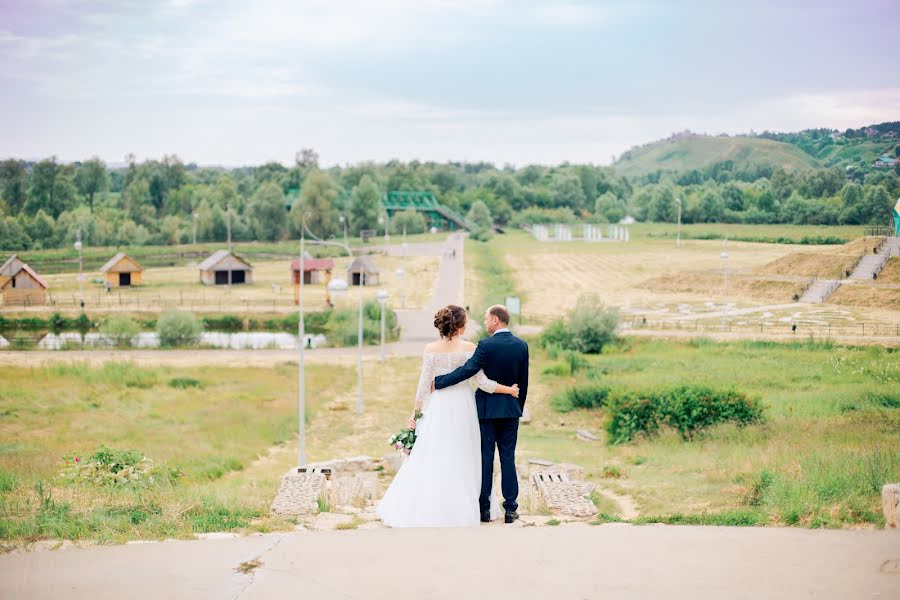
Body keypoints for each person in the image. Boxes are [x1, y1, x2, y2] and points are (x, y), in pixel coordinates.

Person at [375, 305, 519, 528]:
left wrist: (415, 414)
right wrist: (508, 390)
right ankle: (466, 507)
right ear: (460, 325)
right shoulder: (470, 347)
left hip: (438, 406)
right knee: (465, 455)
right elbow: (482, 383)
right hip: (464, 406)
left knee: (434, 454)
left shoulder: (430, 349)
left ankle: (431, 506)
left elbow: (424, 384)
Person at [433, 305, 529, 524]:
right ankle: (510, 509)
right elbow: (524, 381)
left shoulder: (485, 346)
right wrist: (517, 406)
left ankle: (484, 508)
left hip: (486, 411)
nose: (484, 323)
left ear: (495, 320)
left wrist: (439, 382)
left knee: (486, 457)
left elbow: (468, 370)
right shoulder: (522, 346)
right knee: (508, 458)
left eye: (486, 319)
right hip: (511, 410)